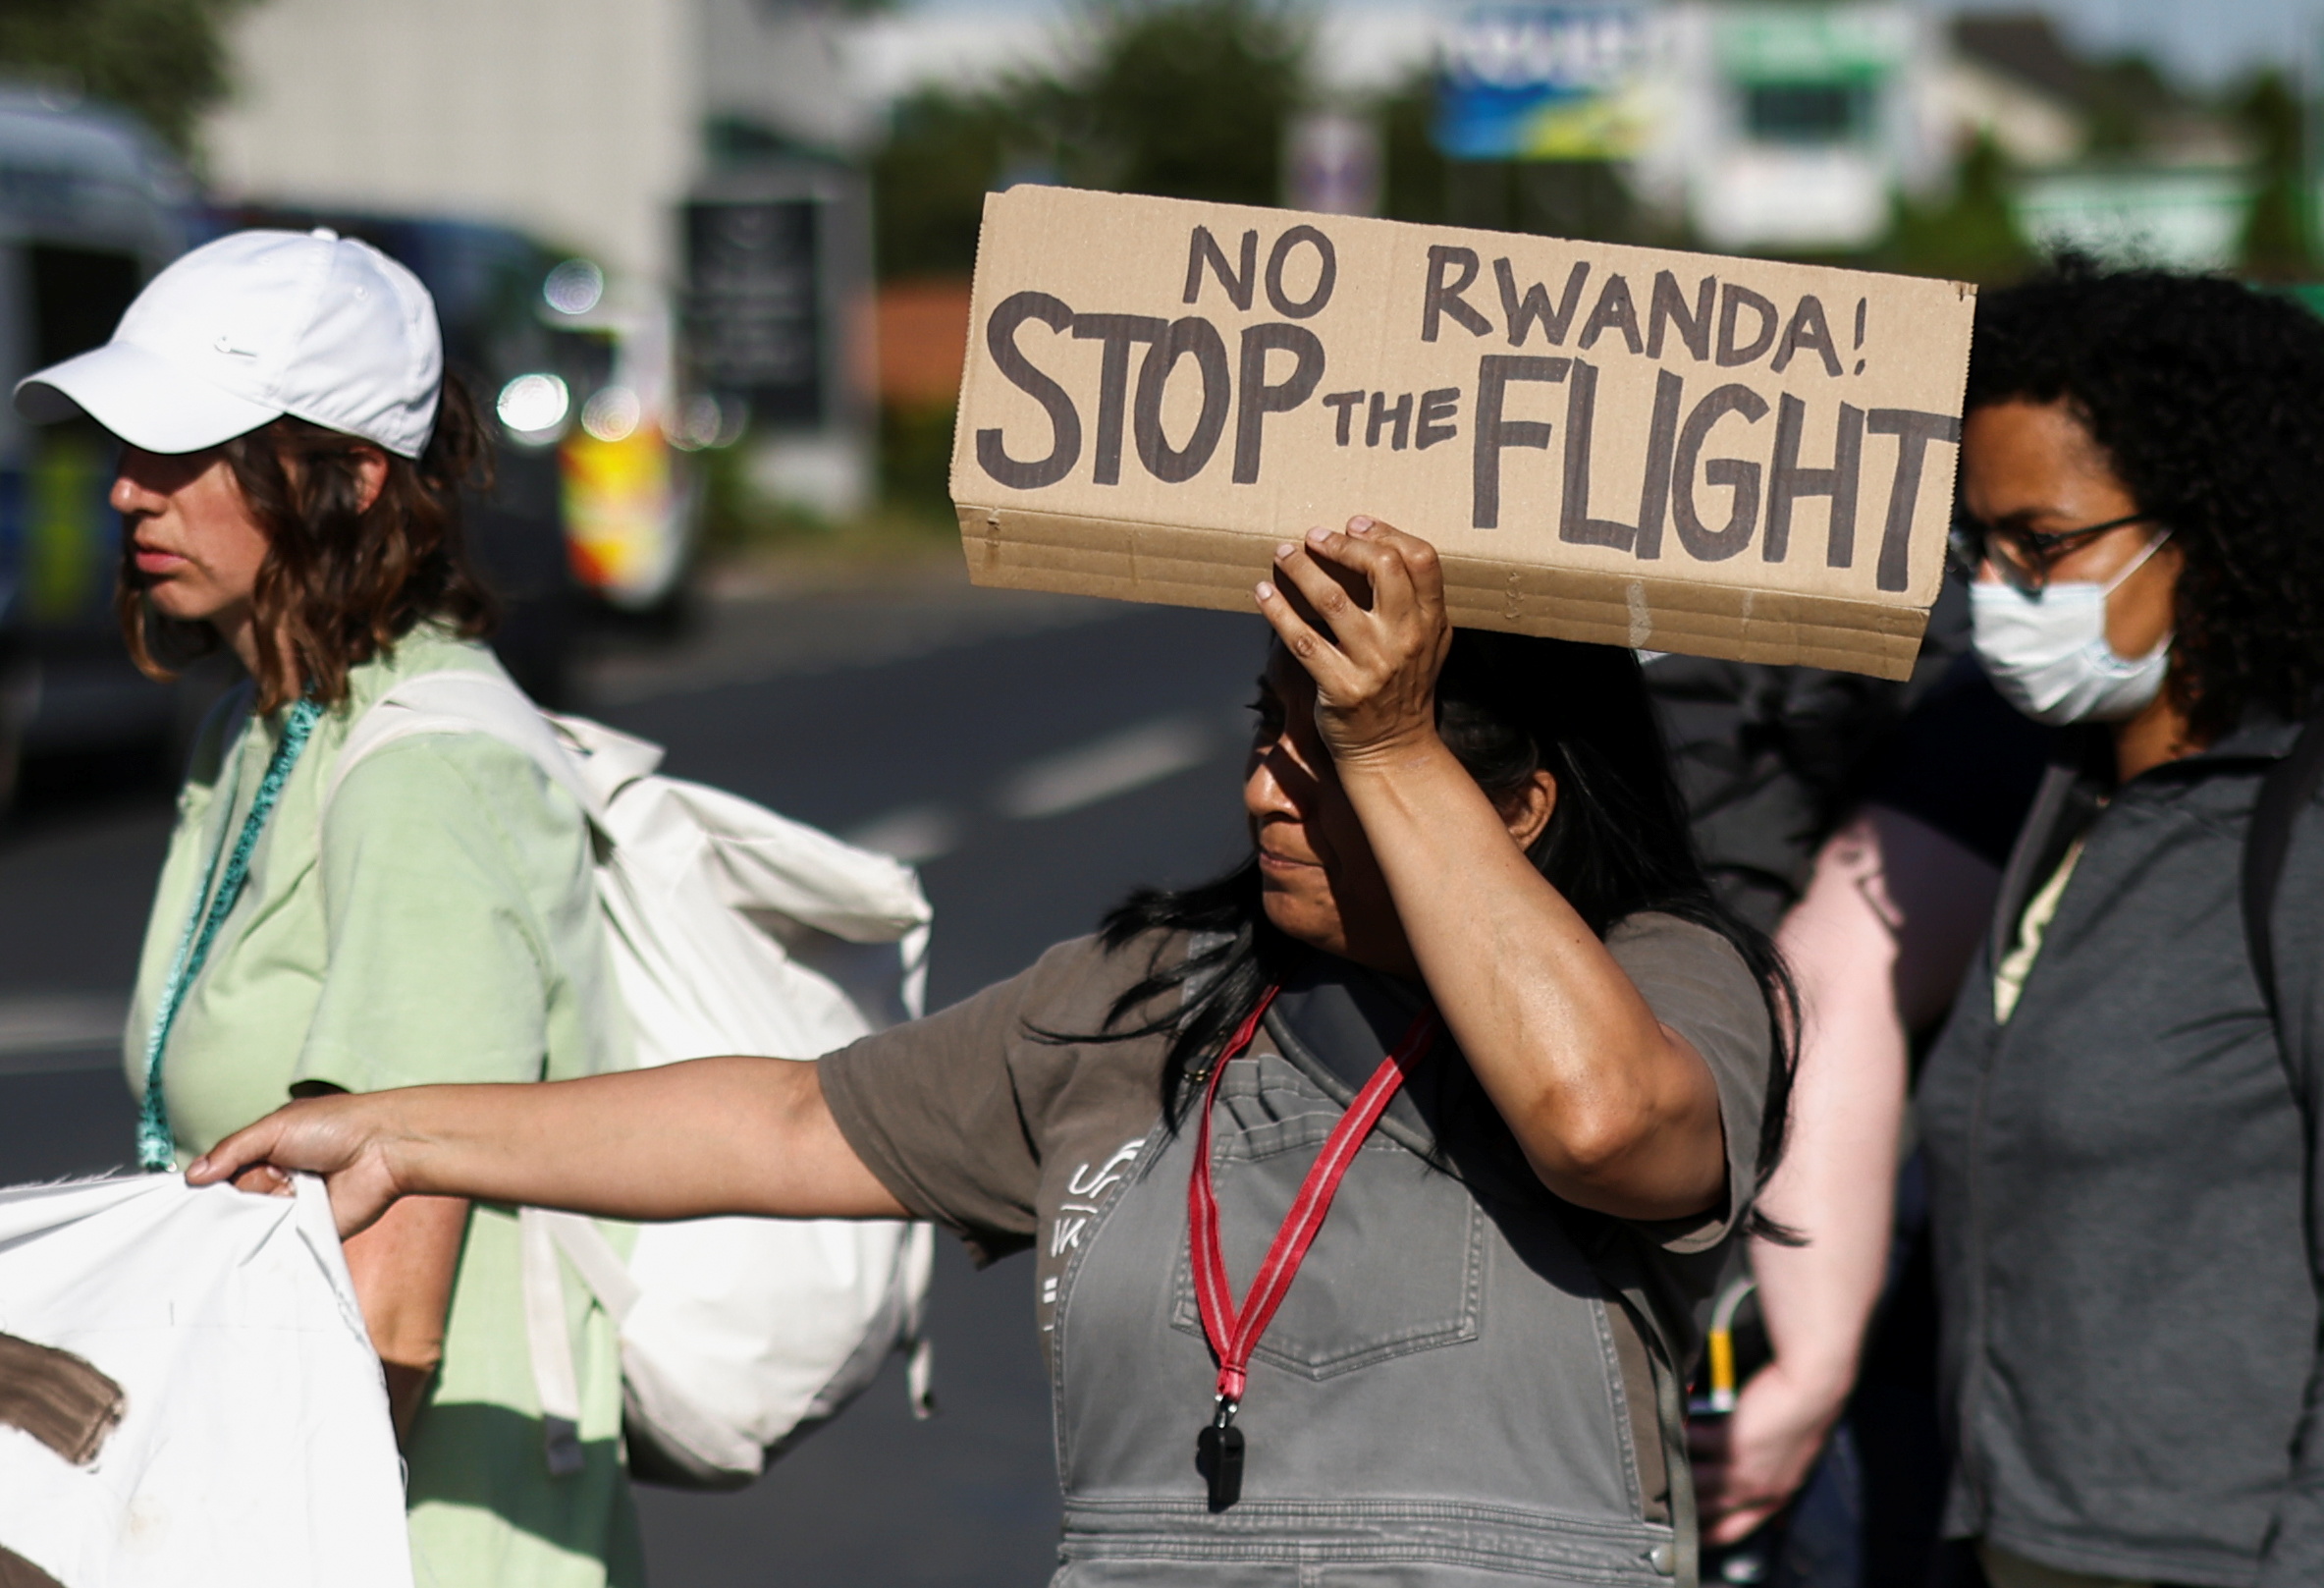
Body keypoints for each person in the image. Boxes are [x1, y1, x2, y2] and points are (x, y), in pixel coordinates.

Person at [193, 518, 1794, 1587]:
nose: (1263, 791)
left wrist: (1390, 739)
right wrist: (405, 1132)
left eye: (1330, 759)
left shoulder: (1669, 984)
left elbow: (1598, 1123)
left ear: (1513, 808)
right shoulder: (1143, 996)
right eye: (1268, 734)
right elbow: (787, 1124)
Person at [16, 230, 643, 1587]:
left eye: (185, 449)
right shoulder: (254, 729)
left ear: (350, 477)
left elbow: (390, 1318)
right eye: (125, 443)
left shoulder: (429, 770)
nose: (127, 487)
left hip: (410, 1546)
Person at [1905, 264, 2324, 1588]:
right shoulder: (2072, 798)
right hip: (2023, 1541)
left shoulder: (2296, 826)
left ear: (2212, 526)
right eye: (1982, 546)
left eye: (2045, 541)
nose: (2001, 589)